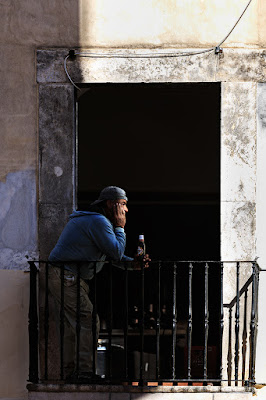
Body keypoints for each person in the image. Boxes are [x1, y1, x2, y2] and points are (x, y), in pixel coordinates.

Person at [48, 186, 149, 382]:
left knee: (73, 325)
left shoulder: (94, 220)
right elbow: (116, 252)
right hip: (66, 277)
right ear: (111, 204)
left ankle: (72, 372)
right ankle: (84, 372)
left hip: (66, 276)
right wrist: (120, 226)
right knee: (87, 320)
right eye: (123, 205)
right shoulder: (99, 221)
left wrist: (134, 265)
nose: (126, 211)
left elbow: (111, 256)